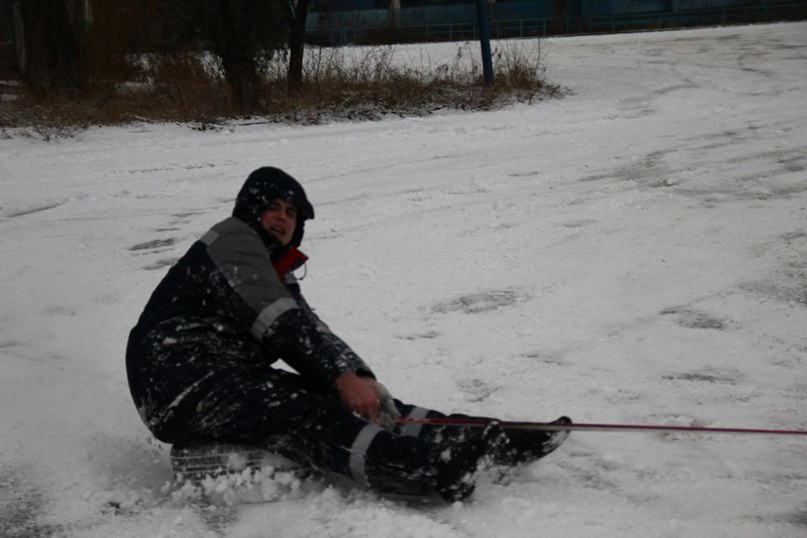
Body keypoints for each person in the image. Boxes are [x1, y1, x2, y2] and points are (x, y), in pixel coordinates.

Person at [126, 166, 570, 502]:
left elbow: (312, 331)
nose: (281, 218)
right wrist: (341, 377)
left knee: (348, 399)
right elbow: (285, 326)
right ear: (250, 210)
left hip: (219, 375)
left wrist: (359, 380)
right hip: (177, 380)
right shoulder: (233, 242)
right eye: (272, 207)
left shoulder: (271, 271)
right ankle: (426, 470)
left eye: (290, 212)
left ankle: (486, 437)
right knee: (302, 412)